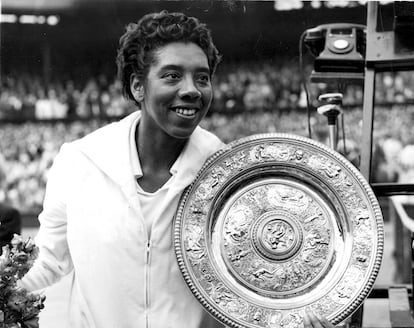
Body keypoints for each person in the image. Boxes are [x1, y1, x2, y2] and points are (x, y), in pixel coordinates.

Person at [19, 11, 333, 328]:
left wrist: (298, 315)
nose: (192, 90)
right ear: (138, 86)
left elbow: (258, 282)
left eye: (202, 77)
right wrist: (5, 285)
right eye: (172, 76)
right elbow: (48, 259)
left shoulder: (229, 176)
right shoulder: (81, 160)